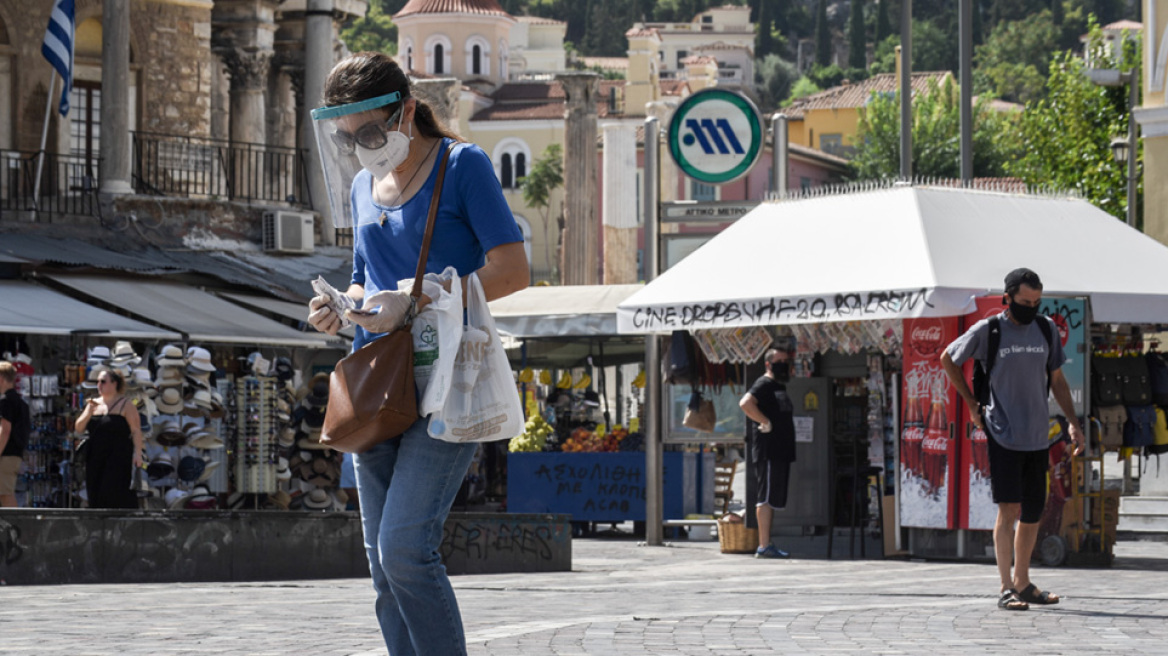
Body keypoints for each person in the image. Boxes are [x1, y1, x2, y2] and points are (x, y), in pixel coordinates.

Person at [305, 51, 528, 655]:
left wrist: (420, 298)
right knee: (382, 566)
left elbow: (513, 269)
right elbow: (361, 275)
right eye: (347, 138)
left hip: (447, 379)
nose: (360, 148)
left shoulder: (464, 166)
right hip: (374, 382)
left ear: (405, 110)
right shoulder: (359, 184)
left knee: (405, 549)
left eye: (370, 133)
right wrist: (339, 305)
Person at [941, 268, 1084, 611]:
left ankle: (1023, 582)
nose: (1031, 307)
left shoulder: (1046, 329)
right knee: (1008, 509)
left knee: (1033, 510)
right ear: (1007, 298)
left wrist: (1074, 423)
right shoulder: (989, 330)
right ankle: (1005, 587)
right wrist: (972, 404)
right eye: (1024, 302)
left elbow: (1058, 381)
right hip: (1003, 433)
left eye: (1036, 302)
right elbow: (948, 358)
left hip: (1038, 434)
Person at [739, 348, 796, 559]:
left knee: (773, 498)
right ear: (768, 364)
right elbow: (745, 403)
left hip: (780, 449)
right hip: (769, 449)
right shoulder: (763, 384)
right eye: (779, 360)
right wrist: (765, 421)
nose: (784, 363)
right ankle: (763, 545)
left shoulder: (778, 386)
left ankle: (767, 542)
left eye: (786, 360)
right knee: (765, 497)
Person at [74, 369, 145, 509]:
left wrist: (138, 453)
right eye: (98, 382)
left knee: (114, 493)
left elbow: (136, 430)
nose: (99, 385)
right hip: (95, 457)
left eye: (103, 381)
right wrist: (88, 412)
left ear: (114, 383)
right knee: (95, 493)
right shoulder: (92, 404)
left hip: (117, 457)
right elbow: (78, 428)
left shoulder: (126, 405)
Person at [0, 361, 30, 508]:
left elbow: (5, 430)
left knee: (5, 494)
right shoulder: (20, 402)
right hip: (13, 454)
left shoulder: (7, 401)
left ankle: (15, 528)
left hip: (6, 454)